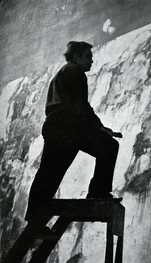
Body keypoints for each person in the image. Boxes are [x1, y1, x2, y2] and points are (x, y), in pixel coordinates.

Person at [25, 41, 122, 229]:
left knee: (50, 172)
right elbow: (80, 107)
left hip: (61, 128)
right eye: (88, 56)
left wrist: (99, 128)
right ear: (76, 56)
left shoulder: (64, 73)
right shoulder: (74, 72)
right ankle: (98, 193)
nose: (92, 60)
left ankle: (35, 217)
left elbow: (79, 107)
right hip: (67, 128)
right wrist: (99, 128)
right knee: (109, 147)